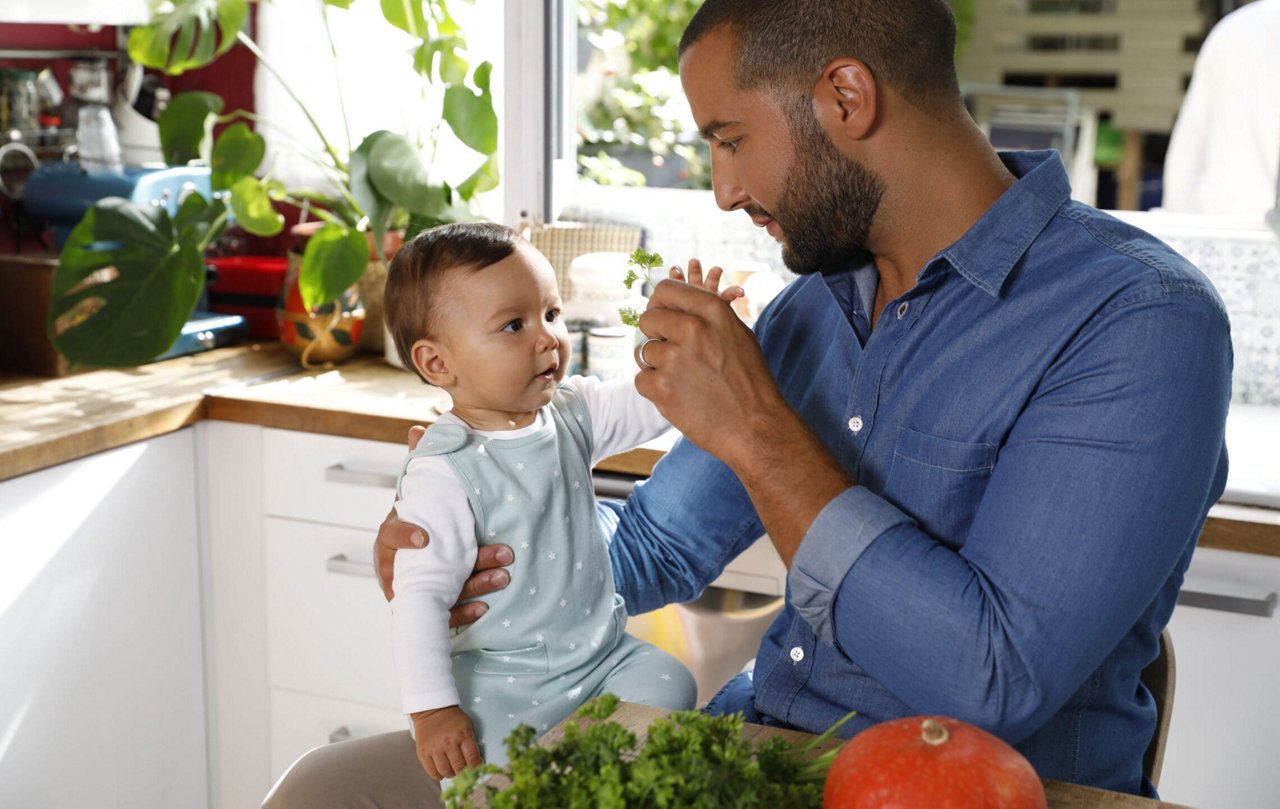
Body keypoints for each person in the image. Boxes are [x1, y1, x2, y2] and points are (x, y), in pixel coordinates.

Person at [264, 1, 1232, 805]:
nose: (723, 189)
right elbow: (649, 553)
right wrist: (483, 524)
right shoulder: (814, 309)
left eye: (730, 140)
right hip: (754, 761)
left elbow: (988, 682)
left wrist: (758, 431)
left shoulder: (1135, 323)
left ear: (844, 97)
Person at [372, 222, 754, 781]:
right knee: (487, 770)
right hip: (503, 681)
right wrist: (433, 711)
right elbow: (419, 602)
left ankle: (580, 772)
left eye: (551, 314)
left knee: (672, 684)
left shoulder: (572, 411)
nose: (548, 337)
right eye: (513, 325)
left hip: (600, 659)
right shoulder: (443, 472)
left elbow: (657, 401)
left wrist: (696, 348)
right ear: (437, 364)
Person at [1162, 0, 1280, 219]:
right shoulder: (1237, 27)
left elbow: (1187, 149)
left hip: (1216, 224)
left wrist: (1176, 225)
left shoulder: (1234, 27)